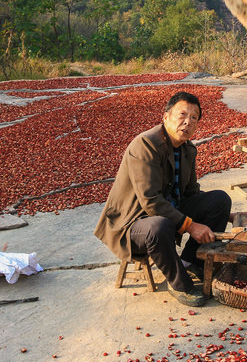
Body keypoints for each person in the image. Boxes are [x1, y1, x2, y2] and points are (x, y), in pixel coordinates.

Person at [94, 90, 232, 307]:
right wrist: (190, 225)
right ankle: (179, 283)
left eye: (194, 118)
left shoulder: (188, 150)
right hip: (132, 223)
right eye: (182, 115)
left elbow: (191, 193)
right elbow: (150, 202)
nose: (188, 122)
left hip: (167, 212)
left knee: (220, 200)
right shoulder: (145, 145)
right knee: (159, 225)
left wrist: (227, 214)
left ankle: (190, 261)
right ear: (166, 117)